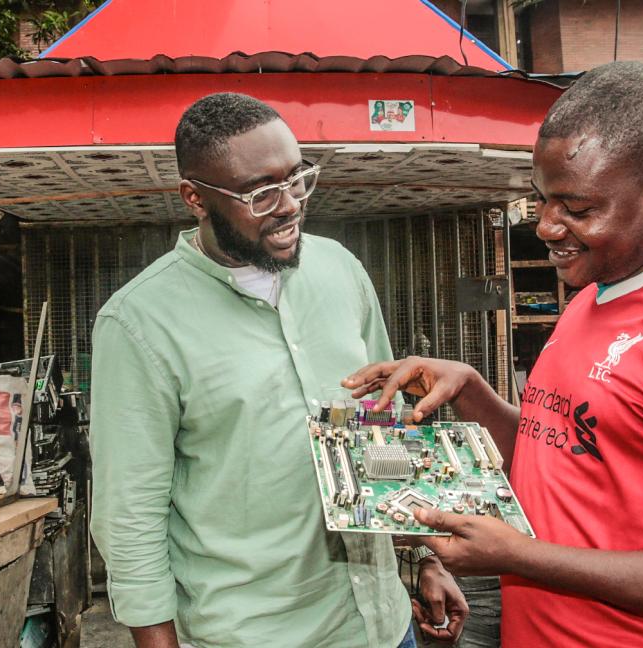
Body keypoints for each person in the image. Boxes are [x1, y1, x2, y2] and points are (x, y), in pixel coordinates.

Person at [343, 61, 643, 648]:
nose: (548, 226)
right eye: (543, 201)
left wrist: (525, 559)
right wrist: (475, 394)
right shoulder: (598, 293)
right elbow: (569, 455)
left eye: (577, 209)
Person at [90, 92, 467, 648]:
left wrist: (424, 556)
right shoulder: (138, 323)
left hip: (383, 624)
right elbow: (130, 518)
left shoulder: (341, 270)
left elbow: (384, 434)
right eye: (260, 192)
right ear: (195, 198)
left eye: (296, 179)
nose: (289, 204)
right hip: (253, 634)